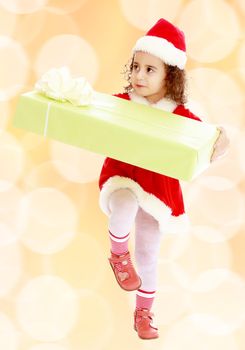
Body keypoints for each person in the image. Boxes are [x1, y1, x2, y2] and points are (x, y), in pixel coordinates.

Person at [98, 18, 230, 340]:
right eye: (136, 67)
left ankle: (144, 312)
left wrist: (220, 139)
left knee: (147, 251)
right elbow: (96, 112)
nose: (139, 75)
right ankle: (117, 254)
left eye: (150, 70)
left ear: (170, 75)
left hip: (157, 190)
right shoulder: (123, 102)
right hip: (123, 176)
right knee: (125, 204)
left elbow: (206, 138)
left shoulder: (179, 115)